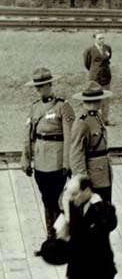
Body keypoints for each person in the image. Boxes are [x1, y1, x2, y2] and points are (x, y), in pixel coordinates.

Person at [21, 67, 75, 242]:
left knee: (59, 200)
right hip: (41, 162)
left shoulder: (63, 106)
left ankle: (63, 239)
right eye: (37, 86)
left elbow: (69, 137)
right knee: (46, 200)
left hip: (57, 161)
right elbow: (28, 135)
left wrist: (68, 163)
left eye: (42, 86)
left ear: (50, 85)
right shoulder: (34, 108)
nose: (39, 89)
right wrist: (26, 158)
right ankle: (51, 238)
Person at [69, 82, 114, 203]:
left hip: (103, 174)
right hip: (93, 179)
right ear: (96, 100)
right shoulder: (82, 122)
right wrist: (84, 183)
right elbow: (76, 154)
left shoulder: (96, 116)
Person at [82, 33, 113, 125]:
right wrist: (94, 70)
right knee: (93, 98)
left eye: (103, 38)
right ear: (95, 39)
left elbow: (108, 59)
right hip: (95, 77)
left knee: (106, 99)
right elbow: (87, 63)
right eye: (99, 38)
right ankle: (93, 119)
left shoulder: (107, 48)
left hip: (106, 76)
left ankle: (105, 119)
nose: (101, 40)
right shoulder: (89, 50)